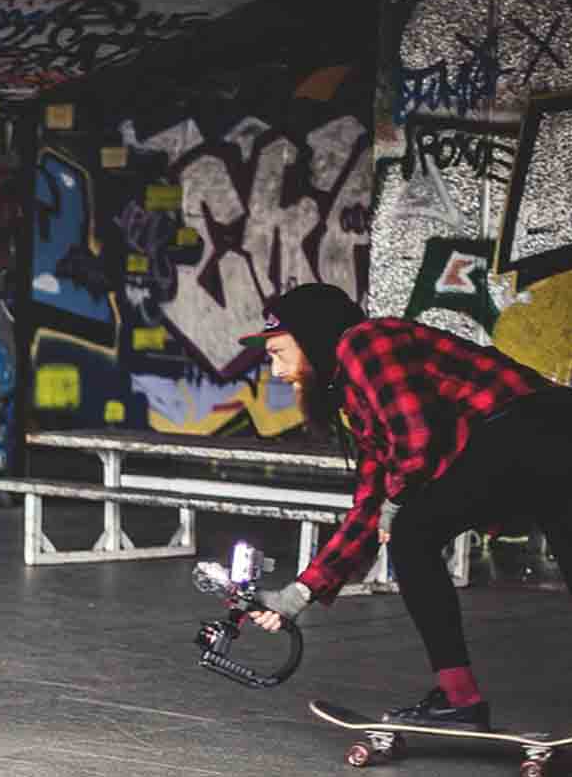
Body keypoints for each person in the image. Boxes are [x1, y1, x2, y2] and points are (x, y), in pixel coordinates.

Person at [238, 282, 571, 731]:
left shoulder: (362, 342)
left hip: (531, 425)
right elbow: (369, 507)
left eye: (279, 353)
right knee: (411, 529)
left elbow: (417, 439)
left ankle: (461, 700)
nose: (277, 371)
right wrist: (296, 595)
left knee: (412, 534)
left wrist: (398, 505)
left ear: (314, 337)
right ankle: (460, 700)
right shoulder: (359, 404)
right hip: (547, 441)